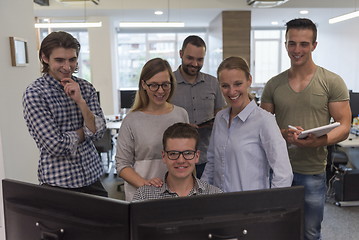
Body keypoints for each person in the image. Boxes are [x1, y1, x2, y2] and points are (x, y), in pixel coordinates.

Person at [260, 18, 351, 240]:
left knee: (310, 232)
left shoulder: (331, 81)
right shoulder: (273, 84)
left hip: (311, 170)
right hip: (277, 170)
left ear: (314, 45)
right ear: (285, 44)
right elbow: (262, 128)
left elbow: (345, 126)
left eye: (303, 44)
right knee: (277, 231)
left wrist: (319, 141)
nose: (297, 50)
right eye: (292, 43)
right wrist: (283, 134)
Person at [22, 31, 108, 197]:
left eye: (72, 60)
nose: (68, 67)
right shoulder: (35, 94)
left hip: (92, 177)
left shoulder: (86, 88)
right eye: (60, 60)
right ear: (45, 58)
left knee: (109, 222)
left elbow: (99, 133)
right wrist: (86, 131)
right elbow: (55, 145)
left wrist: (81, 102)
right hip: (59, 183)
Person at [201, 56, 293, 192]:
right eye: (225, 86)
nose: (231, 91)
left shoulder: (264, 120)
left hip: (250, 207)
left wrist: (270, 207)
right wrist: (202, 193)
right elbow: (212, 163)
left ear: (249, 80)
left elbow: (283, 174)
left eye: (238, 84)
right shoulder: (220, 118)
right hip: (218, 203)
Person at [115, 58, 189, 202]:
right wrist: (146, 185)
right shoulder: (131, 120)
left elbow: (188, 156)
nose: (160, 91)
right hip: (141, 195)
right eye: (154, 85)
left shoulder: (181, 114)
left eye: (165, 85)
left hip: (176, 194)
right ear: (144, 84)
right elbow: (122, 165)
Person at [171, 35, 226, 178]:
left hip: (206, 157)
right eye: (190, 58)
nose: (195, 64)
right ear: (181, 54)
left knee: (206, 199)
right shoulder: (168, 83)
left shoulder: (213, 83)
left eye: (200, 59)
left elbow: (221, 116)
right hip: (177, 159)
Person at [133, 122, 222, 201]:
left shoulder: (215, 195)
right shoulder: (144, 197)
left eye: (187, 153)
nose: (180, 160)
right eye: (173, 153)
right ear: (164, 156)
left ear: (197, 156)